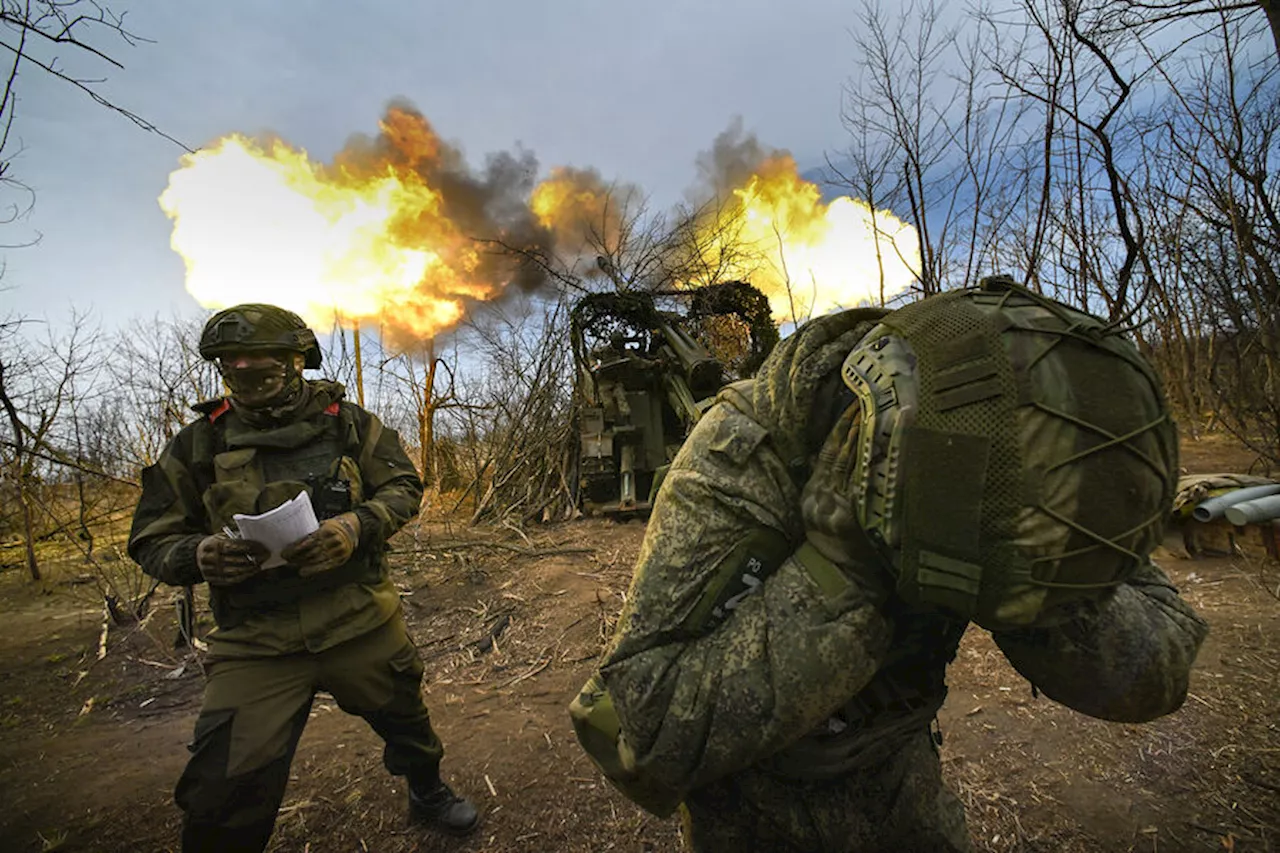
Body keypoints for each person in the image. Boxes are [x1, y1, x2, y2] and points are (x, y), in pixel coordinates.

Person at [570, 276, 1209, 852]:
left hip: (901, 780)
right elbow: (631, 732)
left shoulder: (1025, 443)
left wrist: (1027, 589)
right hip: (750, 810)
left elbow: (1155, 671)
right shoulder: (744, 455)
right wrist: (843, 570)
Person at [128, 304, 478, 853]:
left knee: (407, 721)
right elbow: (150, 538)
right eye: (233, 371)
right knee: (222, 790)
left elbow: (404, 486)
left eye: (263, 372)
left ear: (297, 365)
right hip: (256, 642)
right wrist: (199, 555)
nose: (247, 382)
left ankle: (427, 790)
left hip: (358, 620)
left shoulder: (349, 425)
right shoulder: (198, 446)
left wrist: (355, 526)